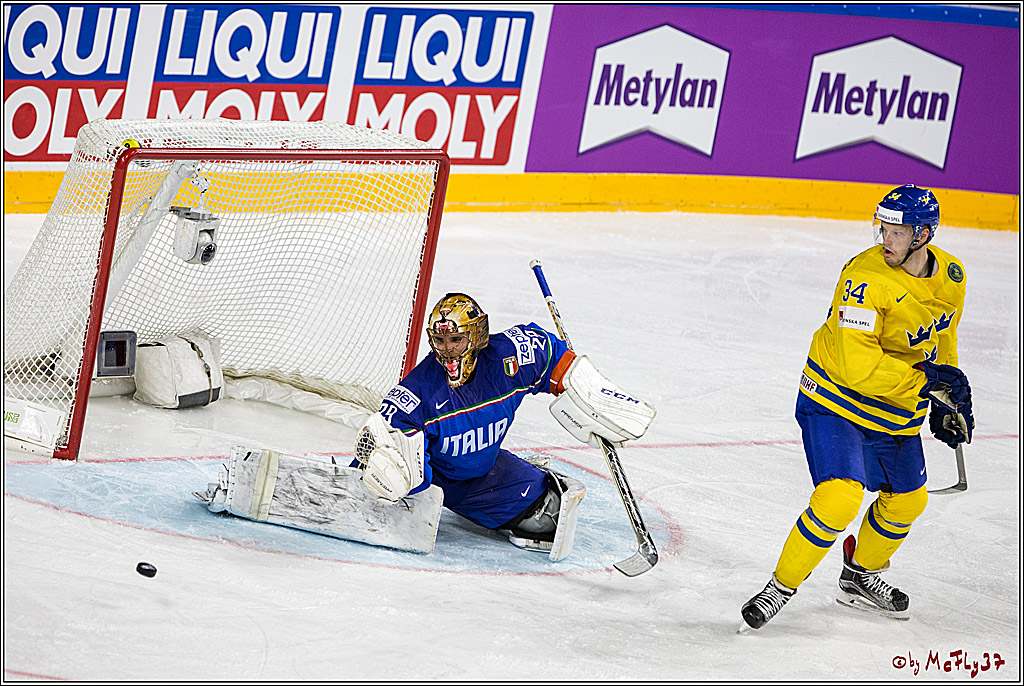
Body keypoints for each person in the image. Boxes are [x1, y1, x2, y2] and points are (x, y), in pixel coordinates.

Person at [740, 184, 975, 630]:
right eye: (882, 228)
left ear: (923, 235)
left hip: (896, 408)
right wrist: (927, 383)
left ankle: (860, 574)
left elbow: (942, 337)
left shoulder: (953, 275)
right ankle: (780, 587)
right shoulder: (862, 281)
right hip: (835, 400)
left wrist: (947, 395)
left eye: (897, 231)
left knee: (908, 502)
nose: (886, 238)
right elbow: (857, 365)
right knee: (839, 497)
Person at [355, 292, 656, 559]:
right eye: (440, 340)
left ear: (477, 336)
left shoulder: (508, 358)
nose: (447, 350)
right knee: (391, 476)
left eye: (456, 340)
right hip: (441, 478)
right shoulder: (417, 392)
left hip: (482, 469)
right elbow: (384, 441)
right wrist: (383, 471)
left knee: (545, 515)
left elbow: (551, 355)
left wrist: (586, 393)